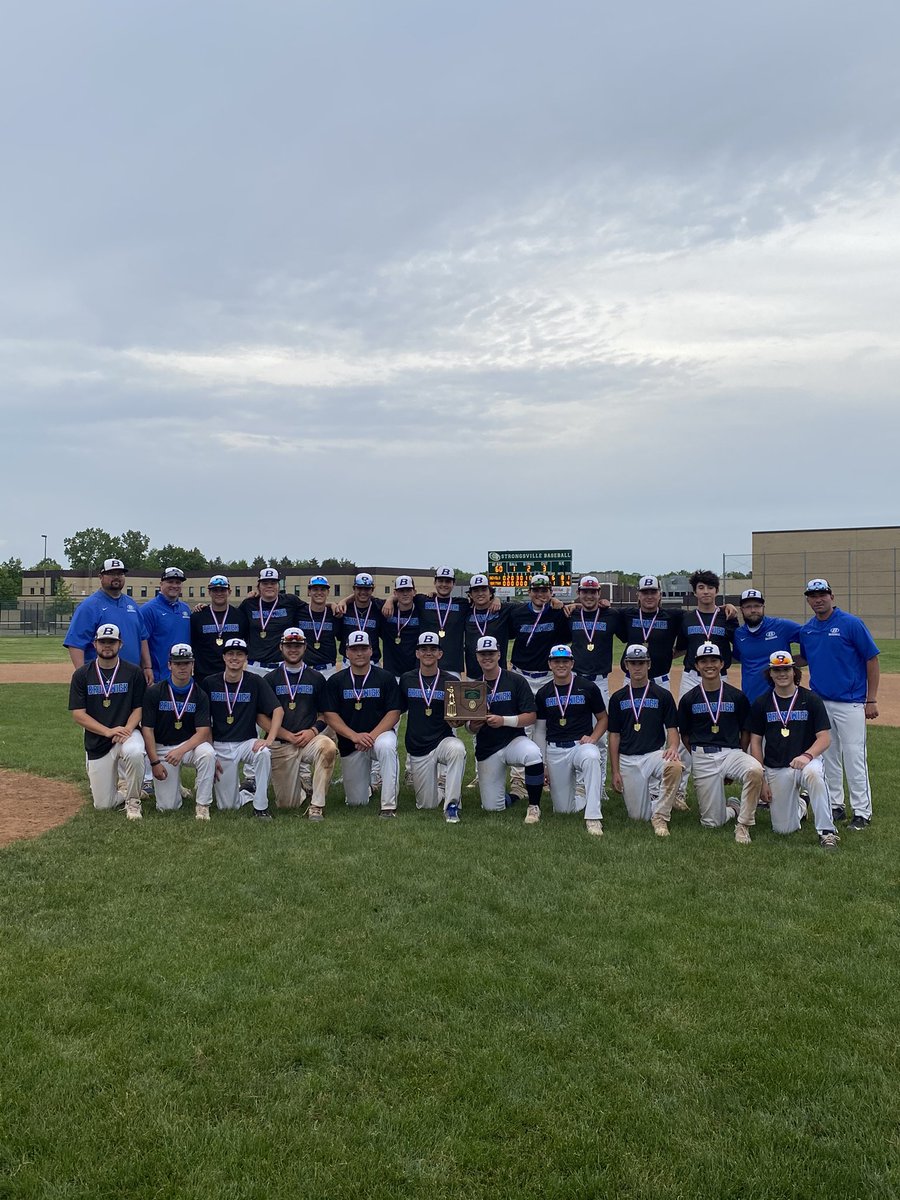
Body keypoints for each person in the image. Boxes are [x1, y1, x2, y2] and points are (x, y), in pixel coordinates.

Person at [798, 578, 880, 830]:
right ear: (808, 600)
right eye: (813, 595)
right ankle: (836, 805)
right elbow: (805, 657)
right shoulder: (808, 630)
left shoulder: (851, 623)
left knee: (855, 756)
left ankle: (862, 812)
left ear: (832, 597)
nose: (818, 599)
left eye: (822, 594)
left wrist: (871, 698)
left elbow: (871, 659)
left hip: (851, 702)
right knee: (828, 756)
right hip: (821, 701)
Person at [675, 642, 763, 843]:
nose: (709, 665)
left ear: (722, 663)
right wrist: (697, 756)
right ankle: (733, 808)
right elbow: (685, 736)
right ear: (696, 666)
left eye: (714, 660)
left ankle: (744, 825)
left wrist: (739, 754)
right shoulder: (689, 699)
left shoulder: (736, 696)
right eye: (703, 661)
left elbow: (745, 730)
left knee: (754, 770)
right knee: (712, 823)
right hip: (703, 755)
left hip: (731, 752)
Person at [748, 651, 838, 848]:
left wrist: (807, 755)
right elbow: (755, 742)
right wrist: (762, 778)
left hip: (806, 761)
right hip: (777, 766)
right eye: (777, 670)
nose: (782, 674)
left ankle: (827, 832)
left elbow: (825, 738)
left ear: (794, 671)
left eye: (786, 669)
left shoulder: (811, 699)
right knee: (783, 830)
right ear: (770, 674)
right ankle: (802, 805)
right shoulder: (762, 703)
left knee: (815, 775)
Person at [68, 622, 147, 819]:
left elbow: (140, 708)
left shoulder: (133, 672)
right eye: (103, 641)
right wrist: (107, 731)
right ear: (95, 644)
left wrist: (127, 729)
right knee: (102, 805)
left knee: (136, 751)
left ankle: (133, 801)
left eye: (112, 642)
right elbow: (78, 714)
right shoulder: (82, 675)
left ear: (120, 644)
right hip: (99, 738)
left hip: (127, 733)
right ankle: (126, 791)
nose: (107, 646)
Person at [199, 637, 282, 819]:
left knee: (264, 753)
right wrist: (210, 752)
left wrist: (269, 739)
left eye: (239, 654)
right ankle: (246, 794)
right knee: (227, 806)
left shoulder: (255, 681)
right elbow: (203, 721)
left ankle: (261, 807)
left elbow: (277, 710)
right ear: (224, 657)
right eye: (230, 654)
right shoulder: (210, 682)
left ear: (245, 658)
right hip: (220, 744)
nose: (234, 658)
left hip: (246, 742)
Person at [606, 644, 684, 838]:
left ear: (649, 664)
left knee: (674, 766)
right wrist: (615, 771)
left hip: (653, 754)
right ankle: (658, 798)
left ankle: (661, 816)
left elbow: (672, 729)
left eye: (641, 663)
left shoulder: (663, 695)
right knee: (638, 816)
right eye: (633, 663)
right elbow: (614, 736)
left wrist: (673, 747)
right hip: (628, 759)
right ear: (626, 665)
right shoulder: (617, 698)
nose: (637, 667)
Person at [466, 635, 545, 824]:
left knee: (533, 753)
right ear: (477, 656)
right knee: (492, 807)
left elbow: (531, 716)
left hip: (513, 741)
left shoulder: (516, 680)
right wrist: (472, 726)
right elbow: (468, 725)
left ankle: (534, 806)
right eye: (483, 654)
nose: (487, 657)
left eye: (491, 653)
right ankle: (516, 796)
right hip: (488, 747)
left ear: (499, 654)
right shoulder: (472, 686)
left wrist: (504, 721)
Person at [260, 628, 336, 819]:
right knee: (287, 805)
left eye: (298, 645)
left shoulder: (316, 678)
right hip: (282, 743)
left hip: (308, 740)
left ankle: (317, 805)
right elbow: (261, 717)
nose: (293, 649)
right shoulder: (270, 679)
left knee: (328, 747)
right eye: (289, 645)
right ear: (281, 647)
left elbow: (324, 714)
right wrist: (285, 734)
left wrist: (312, 731)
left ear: (305, 647)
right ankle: (301, 788)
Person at [324, 631, 401, 816]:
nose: (359, 653)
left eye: (364, 648)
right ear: (346, 652)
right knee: (356, 802)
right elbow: (330, 714)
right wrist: (354, 736)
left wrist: (371, 736)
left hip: (379, 736)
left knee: (388, 747)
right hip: (351, 743)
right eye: (354, 649)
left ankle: (388, 806)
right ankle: (368, 788)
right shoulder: (336, 681)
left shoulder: (385, 677)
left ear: (371, 651)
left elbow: (394, 713)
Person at [533, 645, 607, 836]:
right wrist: (543, 763)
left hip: (580, 745)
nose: (561, 665)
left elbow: (603, 718)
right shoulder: (544, 693)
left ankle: (593, 817)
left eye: (565, 661)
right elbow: (540, 730)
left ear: (572, 663)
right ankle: (581, 794)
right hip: (555, 749)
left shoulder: (587, 687)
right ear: (550, 664)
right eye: (556, 661)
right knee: (563, 810)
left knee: (591, 757)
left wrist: (593, 738)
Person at [141, 644, 217, 818]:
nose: (182, 667)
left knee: (208, 754)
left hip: (189, 747)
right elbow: (148, 730)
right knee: (168, 808)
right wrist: (154, 763)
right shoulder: (155, 692)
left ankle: (202, 804)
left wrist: (181, 750)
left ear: (193, 665)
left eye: (186, 663)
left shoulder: (200, 694)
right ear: (169, 665)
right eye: (178, 663)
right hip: (163, 747)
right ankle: (175, 788)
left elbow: (203, 731)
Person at [398, 632, 467, 822]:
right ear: (417, 653)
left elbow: (459, 717)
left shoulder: (450, 681)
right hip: (418, 746)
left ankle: (452, 804)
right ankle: (441, 787)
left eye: (433, 649)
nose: (428, 653)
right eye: (424, 649)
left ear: (440, 654)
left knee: (457, 749)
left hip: (442, 740)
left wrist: (459, 722)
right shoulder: (406, 679)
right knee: (426, 805)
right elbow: (397, 709)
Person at [64, 558, 152, 685]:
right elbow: (76, 644)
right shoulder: (88, 606)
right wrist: (82, 675)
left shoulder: (131, 604)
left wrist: (147, 667)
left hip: (133, 676)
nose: (116, 577)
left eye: (120, 574)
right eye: (111, 573)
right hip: (102, 678)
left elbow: (142, 638)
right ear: (101, 576)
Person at [676, 570, 739, 700]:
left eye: (710, 588)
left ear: (716, 591)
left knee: (719, 717)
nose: (706, 591)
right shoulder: (687, 618)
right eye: (701, 587)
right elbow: (681, 647)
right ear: (695, 592)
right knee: (687, 717)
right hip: (691, 677)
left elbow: (739, 645)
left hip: (719, 675)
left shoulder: (727, 616)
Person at [732, 589, 802, 704]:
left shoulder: (782, 626)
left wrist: (791, 661)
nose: (753, 610)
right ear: (741, 610)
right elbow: (740, 657)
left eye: (757, 606)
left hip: (781, 700)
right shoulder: (739, 634)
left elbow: (811, 638)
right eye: (748, 606)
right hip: (751, 699)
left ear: (763, 607)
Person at [614, 575, 683, 687]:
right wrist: (575, 606)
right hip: (631, 680)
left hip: (661, 680)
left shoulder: (673, 616)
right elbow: (599, 610)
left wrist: (675, 652)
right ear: (638, 595)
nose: (649, 596)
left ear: (660, 594)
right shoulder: (627, 614)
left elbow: (698, 617)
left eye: (653, 592)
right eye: (645, 593)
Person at [239, 567, 304, 674]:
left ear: (279, 586)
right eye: (265, 583)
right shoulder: (249, 604)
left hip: (282, 666)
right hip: (255, 666)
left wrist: (331, 604)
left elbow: (312, 609)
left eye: (273, 583)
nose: (269, 586)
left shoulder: (290, 601)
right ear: (258, 587)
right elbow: (231, 616)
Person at [190, 575, 248, 682]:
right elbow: (192, 644)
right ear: (209, 592)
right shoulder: (197, 616)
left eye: (223, 590)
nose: (219, 593)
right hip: (203, 674)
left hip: (231, 674)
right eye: (215, 590)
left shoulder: (240, 616)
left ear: (229, 592)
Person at [140, 567, 193, 682]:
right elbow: (142, 642)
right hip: (159, 678)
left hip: (183, 677)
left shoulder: (185, 609)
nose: (174, 585)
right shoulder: (148, 610)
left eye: (178, 582)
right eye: (170, 582)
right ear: (161, 584)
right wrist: (147, 668)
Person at [463, 575, 510, 680]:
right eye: (476, 590)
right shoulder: (465, 610)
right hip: (473, 673)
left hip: (499, 673)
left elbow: (532, 606)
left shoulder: (503, 610)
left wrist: (552, 599)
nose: (480, 594)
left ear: (490, 592)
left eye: (484, 590)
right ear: (470, 594)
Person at [335, 573, 385, 665]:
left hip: (372, 662)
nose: (363, 592)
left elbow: (399, 598)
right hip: (348, 663)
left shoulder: (379, 607)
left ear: (372, 590)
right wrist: (341, 601)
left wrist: (390, 600)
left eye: (367, 588)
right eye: (359, 588)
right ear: (354, 589)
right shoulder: (344, 608)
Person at [296, 575, 340, 677]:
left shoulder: (334, 614)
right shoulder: (299, 612)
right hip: (305, 669)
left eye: (323, 589)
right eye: (315, 589)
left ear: (328, 592)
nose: (319, 592)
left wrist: (332, 604)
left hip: (329, 670)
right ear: (309, 592)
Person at [380, 575, 422, 678]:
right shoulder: (385, 608)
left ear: (414, 592)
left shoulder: (421, 609)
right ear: (395, 593)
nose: (405, 594)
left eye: (408, 590)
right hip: (391, 672)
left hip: (414, 672)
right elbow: (363, 596)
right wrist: (342, 602)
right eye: (401, 590)